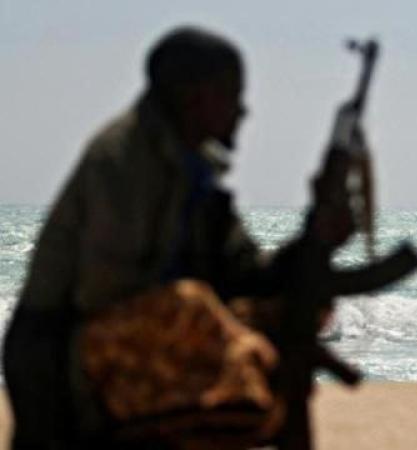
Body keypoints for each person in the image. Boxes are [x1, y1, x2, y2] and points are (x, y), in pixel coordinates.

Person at [2, 26, 329, 449]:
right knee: (190, 305)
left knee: (295, 307)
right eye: (231, 94)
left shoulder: (197, 172)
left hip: (138, 334)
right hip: (60, 352)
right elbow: (103, 296)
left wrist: (317, 234)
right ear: (193, 98)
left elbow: (246, 271)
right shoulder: (122, 161)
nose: (242, 110)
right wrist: (225, 331)